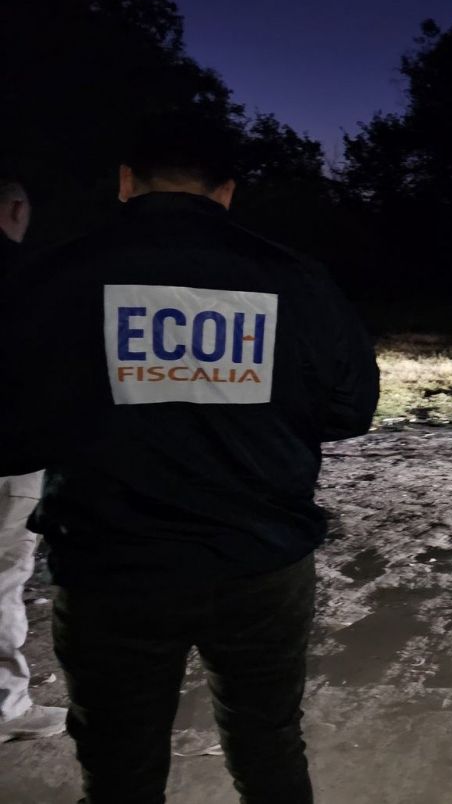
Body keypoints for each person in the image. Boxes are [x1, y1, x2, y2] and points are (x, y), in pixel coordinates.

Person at [0, 117, 380, 802]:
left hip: (114, 563)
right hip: (262, 558)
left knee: (118, 760)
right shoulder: (296, 278)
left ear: (125, 182)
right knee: (269, 742)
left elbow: (13, 434)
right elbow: (350, 411)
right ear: (226, 192)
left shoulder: (58, 276)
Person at [0, 178, 68, 743]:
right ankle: (6, 708)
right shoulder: (26, 279)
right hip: (7, 457)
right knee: (2, 579)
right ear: (16, 208)